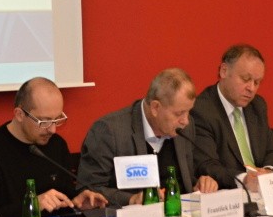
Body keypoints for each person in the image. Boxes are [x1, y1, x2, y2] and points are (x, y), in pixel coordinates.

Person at [0, 77, 107, 217]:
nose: (52, 130)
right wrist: (32, 205)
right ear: (19, 114)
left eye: (57, 120)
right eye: (44, 122)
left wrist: (76, 202)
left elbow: (63, 197)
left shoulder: (57, 145)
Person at [77, 68, 218, 206]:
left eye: (188, 111)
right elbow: (89, 190)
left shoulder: (185, 127)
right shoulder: (109, 132)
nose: (185, 121)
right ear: (155, 107)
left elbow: (182, 179)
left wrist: (200, 183)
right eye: (179, 113)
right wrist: (131, 199)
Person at [190, 44, 273, 191]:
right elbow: (206, 165)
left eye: (257, 82)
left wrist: (268, 171)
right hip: (229, 194)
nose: (251, 88)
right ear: (224, 71)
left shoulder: (257, 105)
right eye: (246, 79)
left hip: (262, 191)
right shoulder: (202, 110)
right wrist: (244, 179)